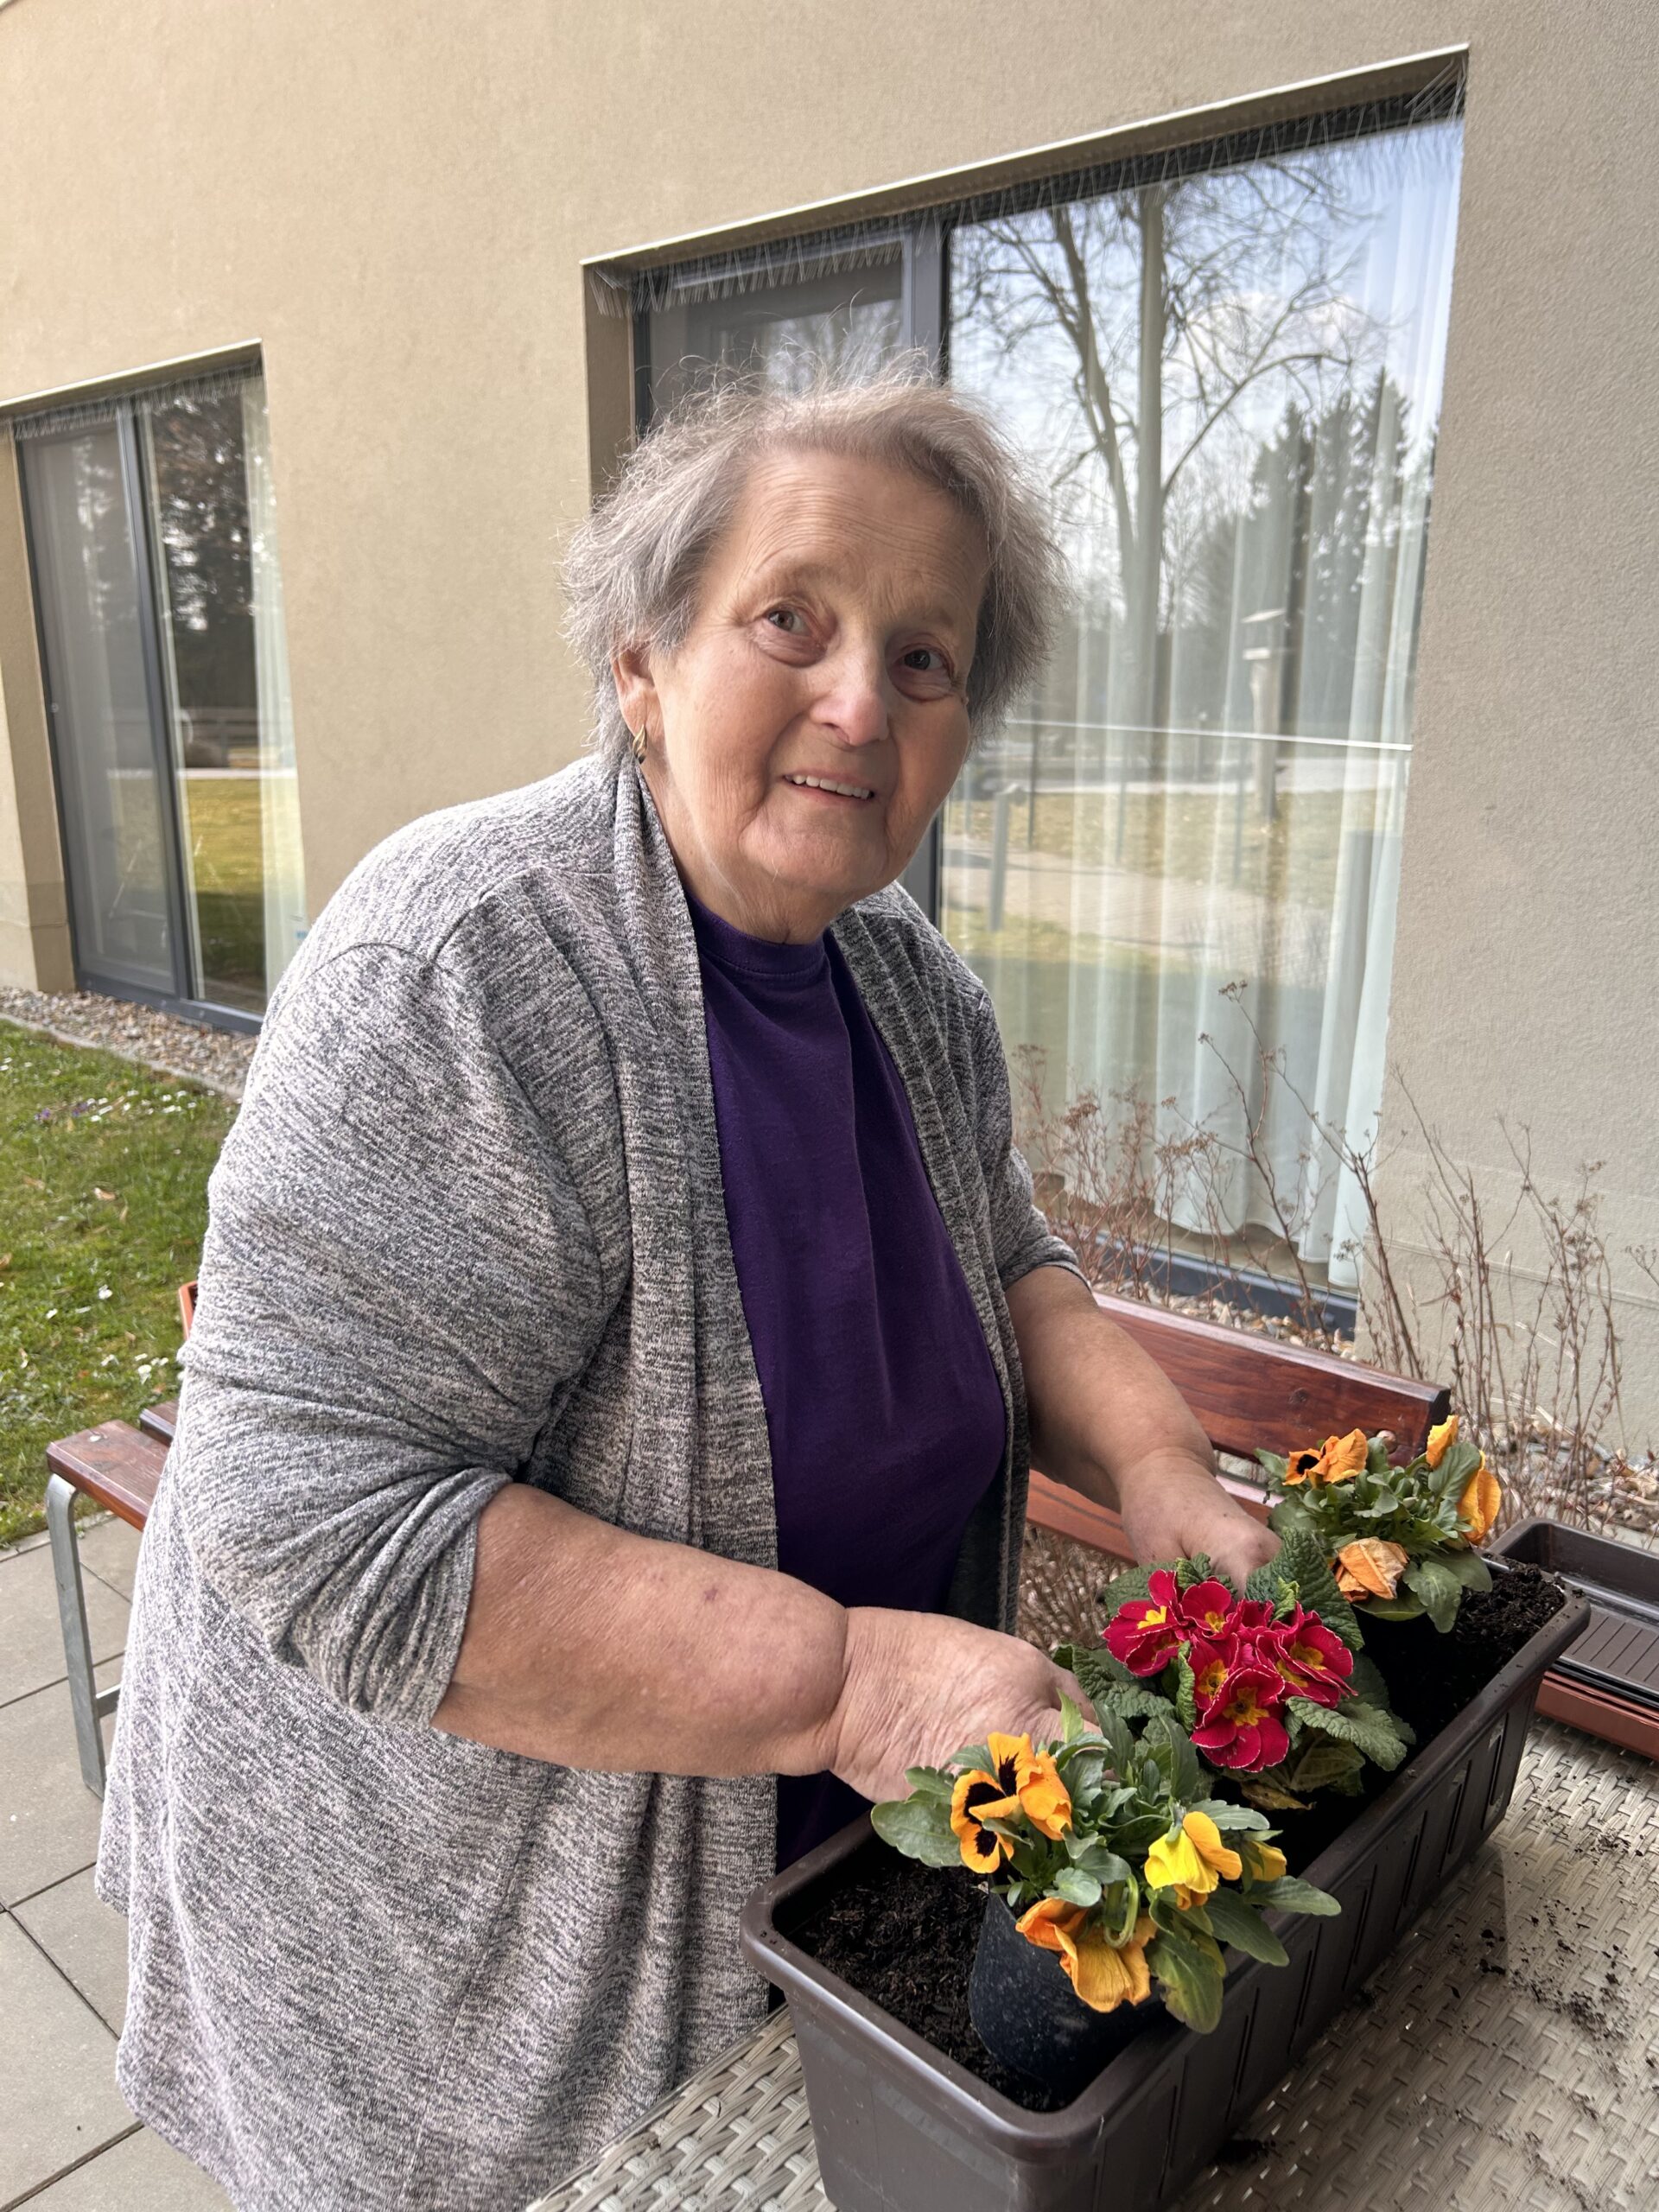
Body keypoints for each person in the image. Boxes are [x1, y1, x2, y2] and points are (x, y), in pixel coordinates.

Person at [96, 365, 1277, 2210]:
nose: (859, 701)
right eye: (791, 619)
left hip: (806, 1889)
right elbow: (311, 1513)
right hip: (457, 1950)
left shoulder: (909, 983)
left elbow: (1014, 1267)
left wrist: (1166, 1478)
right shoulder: (463, 966)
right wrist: (856, 1687)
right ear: (641, 663)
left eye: (925, 658)